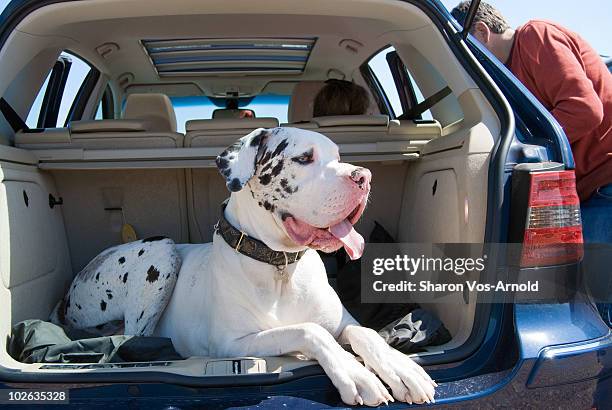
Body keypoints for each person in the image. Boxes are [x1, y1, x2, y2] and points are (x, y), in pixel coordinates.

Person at [451, 2, 612, 321]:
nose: (472, 64)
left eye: (471, 52)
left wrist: (524, 147)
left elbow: (585, 110)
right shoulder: (509, 80)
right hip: (585, 190)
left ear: (482, 32)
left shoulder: (536, 36)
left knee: (601, 303)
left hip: (604, 182)